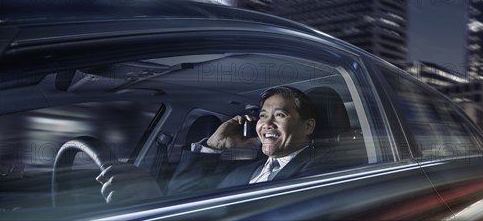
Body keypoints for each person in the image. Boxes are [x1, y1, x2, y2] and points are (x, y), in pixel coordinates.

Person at [97, 86, 325, 203]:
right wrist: (213, 146)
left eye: (280, 115)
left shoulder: (323, 170)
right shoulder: (244, 172)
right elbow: (186, 198)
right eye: (263, 116)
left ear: (308, 126)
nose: (267, 124)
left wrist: (150, 195)